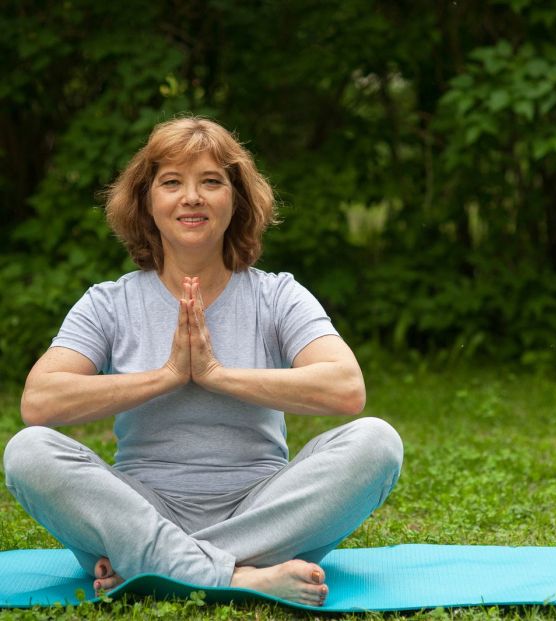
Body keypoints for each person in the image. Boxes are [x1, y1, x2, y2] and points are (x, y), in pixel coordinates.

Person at [3, 116, 403, 607]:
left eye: (210, 182)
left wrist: (217, 375)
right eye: (172, 183)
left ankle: (157, 569)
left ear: (234, 200)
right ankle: (239, 578)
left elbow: (345, 389)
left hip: (262, 512)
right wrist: (167, 376)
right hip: (142, 510)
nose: (191, 197)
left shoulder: (277, 295)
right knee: (28, 451)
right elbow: (40, 402)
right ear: (148, 202)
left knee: (377, 442)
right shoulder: (108, 303)